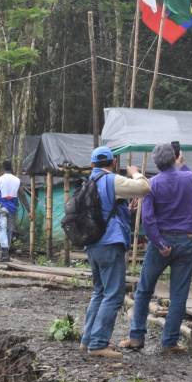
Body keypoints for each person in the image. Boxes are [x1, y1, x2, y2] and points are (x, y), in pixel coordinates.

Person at [120, 143, 192, 354]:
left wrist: (160, 243)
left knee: (144, 289)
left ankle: (136, 337)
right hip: (187, 240)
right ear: (176, 157)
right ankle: (169, 342)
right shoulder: (190, 177)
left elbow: (148, 218)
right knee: (179, 294)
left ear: (156, 162)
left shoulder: (151, 184)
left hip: (161, 242)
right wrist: (182, 166)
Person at [80, 147, 150, 359]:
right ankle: (98, 344)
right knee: (113, 294)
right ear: (112, 163)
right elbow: (143, 187)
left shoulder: (89, 182)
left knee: (100, 291)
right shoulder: (112, 180)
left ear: (92, 164)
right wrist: (135, 172)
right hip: (109, 244)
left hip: (92, 243)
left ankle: (87, 340)